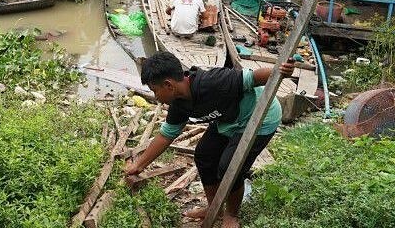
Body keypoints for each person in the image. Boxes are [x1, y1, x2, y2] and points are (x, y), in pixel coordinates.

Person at [124, 51, 295, 228]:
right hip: (228, 120)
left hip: (260, 117)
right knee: (204, 155)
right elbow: (166, 135)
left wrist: (281, 71)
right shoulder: (179, 104)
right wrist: (139, 165)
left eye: (155, 90)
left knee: (230, 165)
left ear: (168, 85)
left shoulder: (214, 82)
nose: (156, 97)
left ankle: (231, 215)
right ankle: (214, 208)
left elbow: (254, 77)